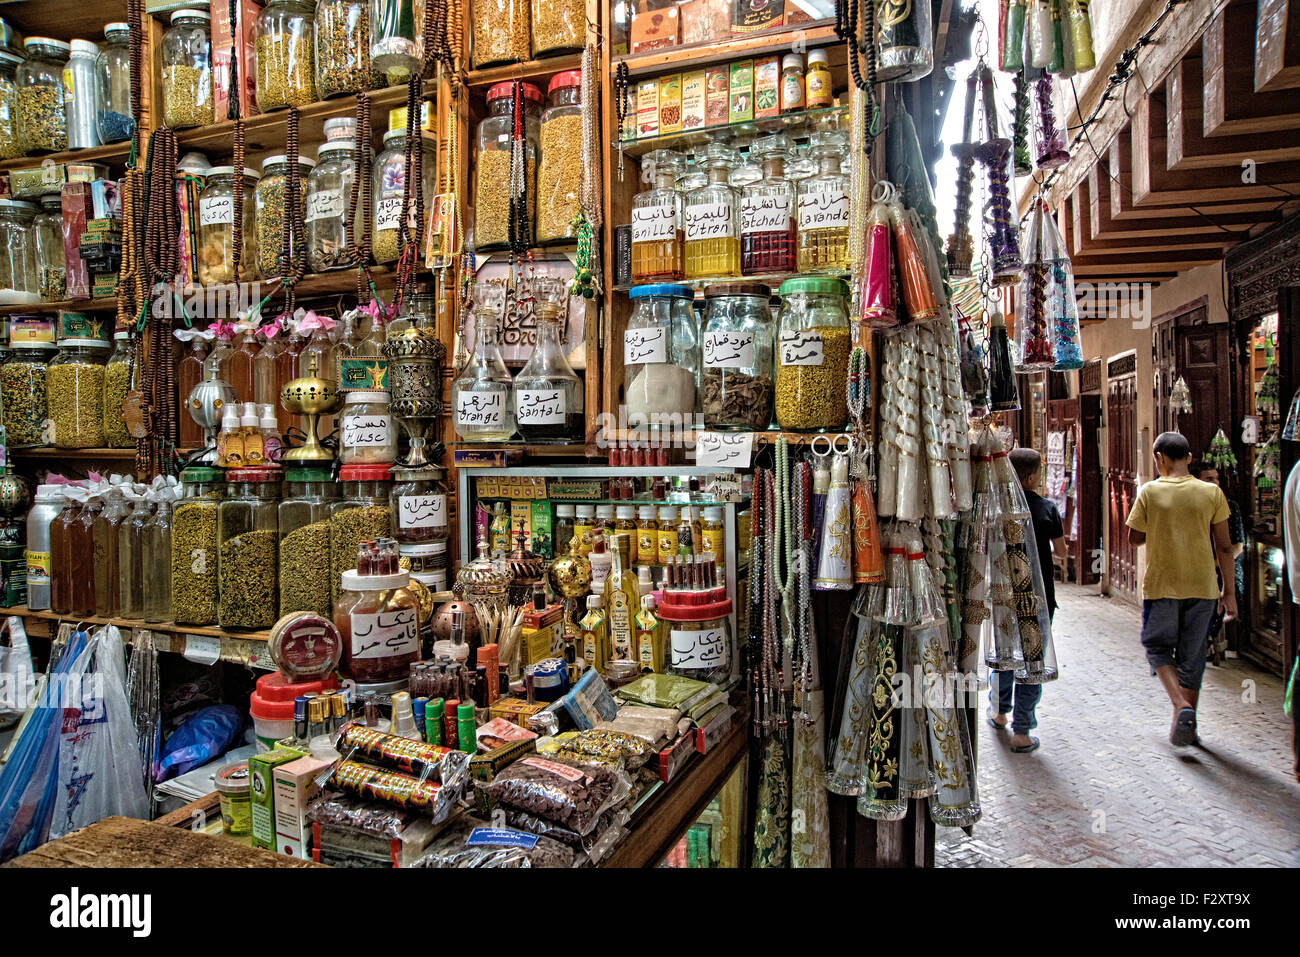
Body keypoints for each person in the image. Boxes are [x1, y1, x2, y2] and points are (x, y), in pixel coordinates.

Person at [1126, 432, 1237, 747]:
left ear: (1159, 458)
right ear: (1189, 458)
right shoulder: (1212, 493)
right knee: (1193, 656)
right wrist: (1228, 592)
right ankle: (1188, 725)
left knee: (1157, 647)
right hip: (1204, 587)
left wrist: (1161, 527)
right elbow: (1225, 547)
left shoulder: (1150, 492)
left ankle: (1180, 705)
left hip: (1162, 587)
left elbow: (1134, 538)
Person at [987, 447, 1065, 754]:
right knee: (1033, 659)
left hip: (1005, 595)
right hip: (1038, 596)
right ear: (1032, 477)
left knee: (1006, 654)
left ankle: (999, 712)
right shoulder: (1046, 508)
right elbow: (1060, 551)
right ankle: (1022, 731)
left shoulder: (997, 507)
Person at [1190, 459, 1244, 665]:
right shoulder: (1190, 508)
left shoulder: (1230, 507)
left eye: (1217, 479)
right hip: (1199, 566)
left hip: (1224, 566)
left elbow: (1237, 545)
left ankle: (1205, 639)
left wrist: (1218, 563)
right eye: (1209, 479)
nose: (1216, 483)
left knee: (1225, 589)